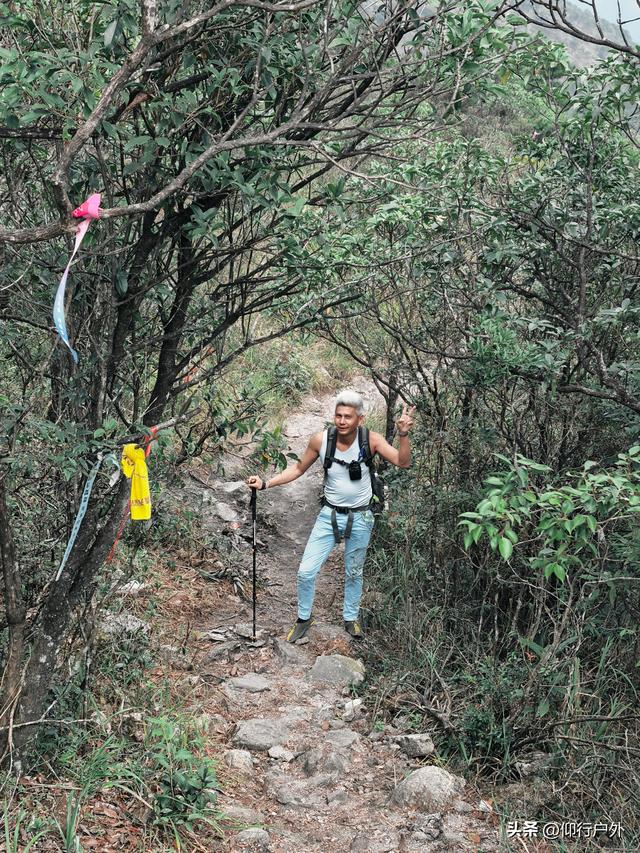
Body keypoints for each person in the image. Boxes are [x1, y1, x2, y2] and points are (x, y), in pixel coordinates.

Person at [246, 390, 415, 642]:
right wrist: (266, 483)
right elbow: (298, 468)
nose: (342, 420)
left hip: (361, 517)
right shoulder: (320, 440)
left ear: (360, 419)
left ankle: (350, 618)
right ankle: (304, 619)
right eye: (338, 415)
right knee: (305, 571)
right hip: (329, 515)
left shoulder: (372, 440)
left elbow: (403, 462)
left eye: (348, 416)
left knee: (354, 571)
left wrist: (403, 434)